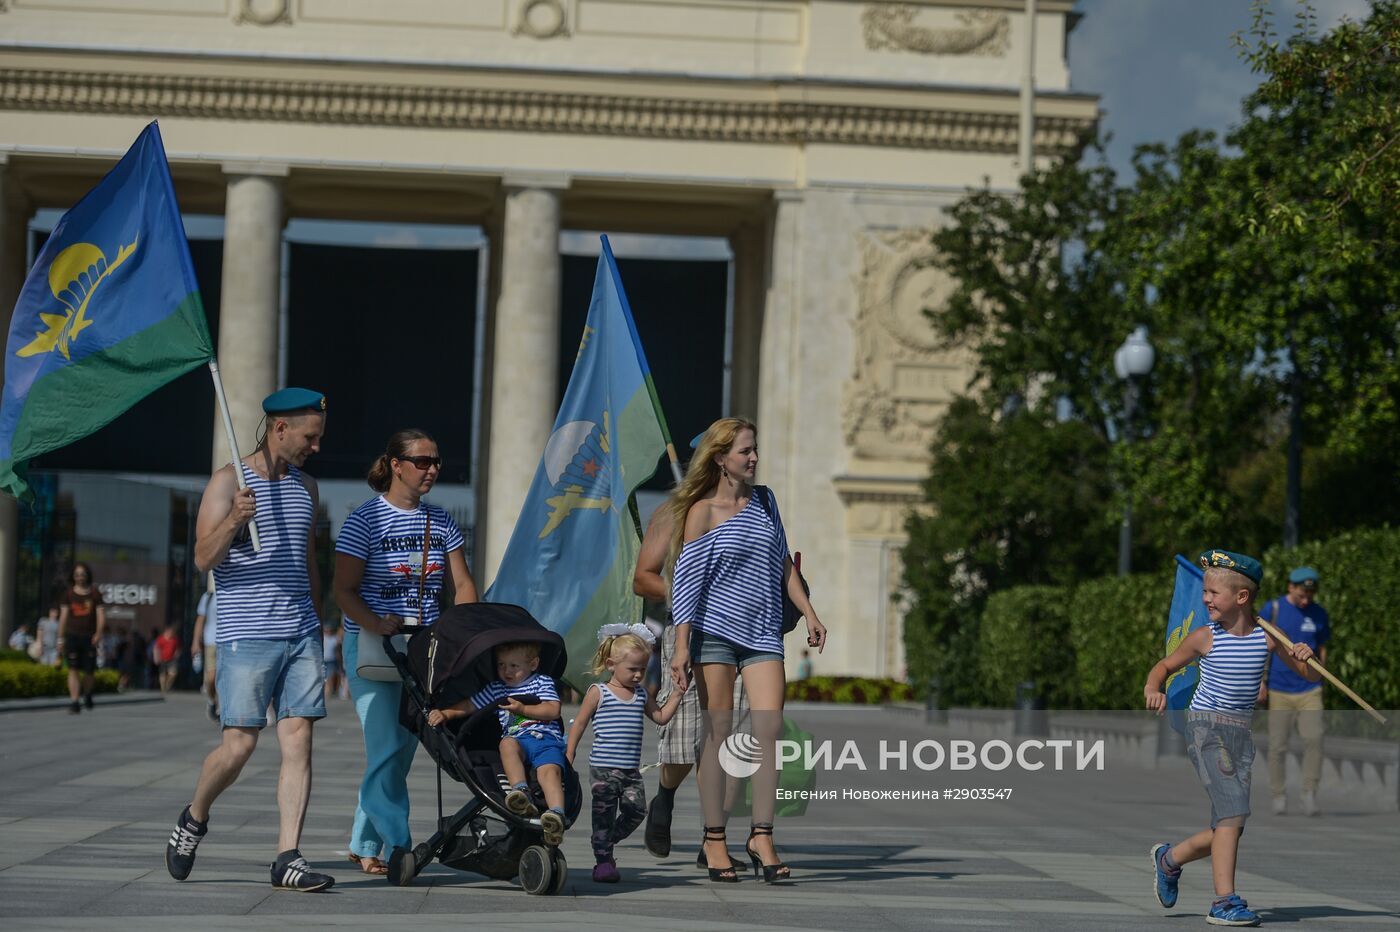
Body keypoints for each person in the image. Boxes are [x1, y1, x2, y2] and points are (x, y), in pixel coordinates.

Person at [165, 387, 336, 892]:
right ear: (280, 429)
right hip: (247, 635)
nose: (316, 447)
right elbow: (201, 558)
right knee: (238, 746)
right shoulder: (227, 483)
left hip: (301, 633)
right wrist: (237, 519)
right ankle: (194, 817)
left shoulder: (308, 486)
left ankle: (287, 857)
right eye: (311, 437)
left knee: (299, 739)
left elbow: (307, 558)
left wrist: (319, 616)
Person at [668, 417, 826, 884]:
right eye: (744, 451)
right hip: (714, 635)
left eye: (755, 450)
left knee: (769, 730)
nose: (753, 458)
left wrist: (810, 614)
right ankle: (714, 839)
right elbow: (687, 584)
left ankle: (761, 835)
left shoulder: (765, 501)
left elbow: (783, 564)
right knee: (718, 735)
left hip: (762, 634)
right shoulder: (702, 512)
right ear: (721, 458)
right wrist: (680, 647)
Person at [1144, 549, 1319, 927]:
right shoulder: (1205, 637)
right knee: (1231, 814)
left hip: (1240, 734)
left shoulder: (1269, 637)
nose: (1206, 599)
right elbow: (1164, 665)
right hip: (1205, 728)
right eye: (1205, 591)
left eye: (1213, 593)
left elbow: (1306, 674)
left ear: (1242, 597)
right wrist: (1152, 686)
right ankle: (1224, 901)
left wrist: (1303, 655)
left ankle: (1169, 859)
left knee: (1231, 826)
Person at [334, 428, 477, 876]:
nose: (432, 469)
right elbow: (344, 589)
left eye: (436, 461)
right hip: (373, 645)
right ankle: (400, 846)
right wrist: (375, 622)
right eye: (422, 461)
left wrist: (466, 630)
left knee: (401, 750)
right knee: (384, 747)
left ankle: (362, 842)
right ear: (396, 465)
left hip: (422, 649)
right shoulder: (364, 520)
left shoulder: (442, 520)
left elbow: (462, 585)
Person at [634, 490, 749, 862]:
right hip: (690, 636)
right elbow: (643, 578)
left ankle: (713, 838)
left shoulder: (755, 509)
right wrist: (691, 589)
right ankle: (664, 797)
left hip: (744, 637)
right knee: (685, 741)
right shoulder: (674, 511)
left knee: (733, 742)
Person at [565, 624, 682, 883]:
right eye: (633, 669)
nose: (639, 675)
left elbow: (660, 717)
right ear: (610, 664)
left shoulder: (640, 694)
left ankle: (606, 839)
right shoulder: (599, 692)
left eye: (642, 669)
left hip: (630, 771)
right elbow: (580, 723)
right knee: (603, 814)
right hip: (603, 769)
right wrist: (569, 753)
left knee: (637, 811)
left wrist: (676, 695)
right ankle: (603, 860)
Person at [427, 642, 568, 846]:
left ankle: (556, 814)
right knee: (506, 745)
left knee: (550, 772)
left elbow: (553, 710)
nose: (506, 671)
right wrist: (446, 713)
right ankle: (520, 792)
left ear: (533, 664)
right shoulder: (496, 688)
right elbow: (470, 705)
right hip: (518, 739)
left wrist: (523, 709)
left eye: (513, 666)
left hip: (546, 740)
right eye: (501, 665)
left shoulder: (542, 682)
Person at [1258, 565, 1329, 818]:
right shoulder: (1273, 609)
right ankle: (1278, 794)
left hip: (1310, 689)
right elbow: (1261, 647)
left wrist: (1321, 676)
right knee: (1278, 745)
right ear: (1291, 587)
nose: (1306, 598)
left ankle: (1309, 792)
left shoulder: (1319, 613)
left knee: (1314, 739)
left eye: (1310, 593)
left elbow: (1321, 649)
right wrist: (1260, 681)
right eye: (1302, 593)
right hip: (1279, 687)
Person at [57, 563, 105, 714]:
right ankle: (75, 701)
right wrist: (60, 638)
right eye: (77, 574)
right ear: (73, 576)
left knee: (89, 671)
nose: (80, 577)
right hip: (72, 636)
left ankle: (88, 694)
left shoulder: (95, 594)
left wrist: (98, 633)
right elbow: (63, 617)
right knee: (73, 669)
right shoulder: (68, 594)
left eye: (82, 574)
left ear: (87, 575)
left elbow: (101, 615)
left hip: (89, 637)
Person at [192, 583, 219, 721]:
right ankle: (211, 701)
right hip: (211, 642)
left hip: (230, 642)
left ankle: (222, 706)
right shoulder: (208, 597)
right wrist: (195, 642)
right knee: (212, 678)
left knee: (226, 679)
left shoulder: (235, 592)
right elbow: (200, 620)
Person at [154, 625, 181, 693]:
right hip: (162, 659)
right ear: (166, 632)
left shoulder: (175, 639)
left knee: (173, 673)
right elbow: (156, 649)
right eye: (169, 632)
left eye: (172, 632)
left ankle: (167, 684)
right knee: (162, 674)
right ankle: (163, 688)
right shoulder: (161, 639)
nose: (171, 634)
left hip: (172, 659)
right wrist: (156, 657)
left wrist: (177, 654)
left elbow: (178, 648)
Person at [322, 623, 342, 703]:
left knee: (329, 677)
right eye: (326, 630)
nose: (328, 631)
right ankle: (325, 693)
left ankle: (327, 694)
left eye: (329, 630)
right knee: (322, 678)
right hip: (322, 660)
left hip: (331, 660)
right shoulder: (322, 637)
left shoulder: (335, 638)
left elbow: (337, 652)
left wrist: (339, 661)